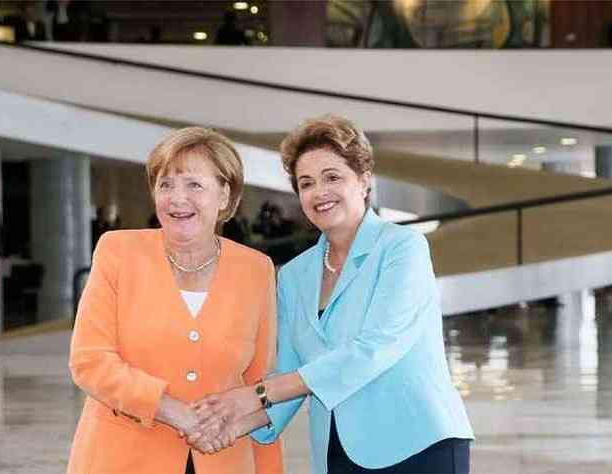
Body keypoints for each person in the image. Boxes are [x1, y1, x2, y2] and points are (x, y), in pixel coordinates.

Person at [191, 114, 474, 473]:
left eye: (332, 177)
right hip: (336, 452)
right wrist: (233, 424)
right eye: (306, 183)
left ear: (364, 181)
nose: (319, 192)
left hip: (417, 444)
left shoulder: (403, 248)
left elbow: (374, 347)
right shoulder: (294, 275)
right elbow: (291, 368)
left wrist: (255, 394)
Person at [66, 127, 283, 473]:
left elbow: (261, 386)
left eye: (193, 185)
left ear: (224, 195)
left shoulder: (256, 270)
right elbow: (89, 360)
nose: (176, 198)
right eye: (166, 184)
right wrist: (176, 413)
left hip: (223, 460)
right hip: (122, 460)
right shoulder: (118, 252)